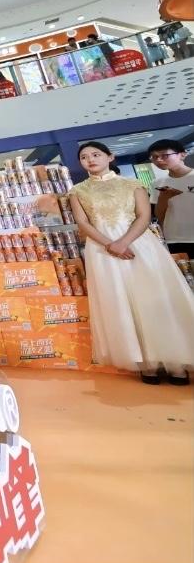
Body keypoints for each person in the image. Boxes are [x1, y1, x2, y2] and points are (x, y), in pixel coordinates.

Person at [70, 141, 194, 384]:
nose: (90, 160)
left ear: (110, 156)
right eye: (84, 157)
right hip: (102, 250)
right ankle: (146, 364)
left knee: (154, 300)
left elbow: (144, 216)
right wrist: (110, 244)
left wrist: (123, 242)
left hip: (139, 244)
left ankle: (176, 363)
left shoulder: (133, 184)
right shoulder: (77, 191)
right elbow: (83, 223)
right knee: (120, 302)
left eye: (96, 154)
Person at [148, 139, 194, 257]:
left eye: (165, 155)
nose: (159, 160)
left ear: (182, 155)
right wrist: (163, 198)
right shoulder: (157, 183)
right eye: (154, 157)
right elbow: (159, 215)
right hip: (174, 238)